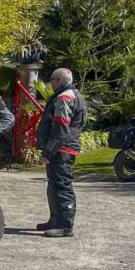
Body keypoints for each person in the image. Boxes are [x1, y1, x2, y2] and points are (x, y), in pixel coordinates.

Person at [36, 67, 87, 238]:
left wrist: (48, 152)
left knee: (62, 186)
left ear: (58, 81)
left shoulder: (65, 97)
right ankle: (55, 220)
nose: (50, 83)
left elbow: (60, 128)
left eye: (51, 80)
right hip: (62, 148)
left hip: (62, 149)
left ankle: (65, 226)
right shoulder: (70, 95)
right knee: (54, 185)